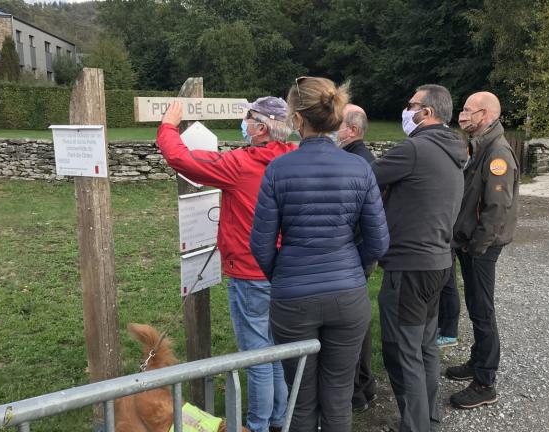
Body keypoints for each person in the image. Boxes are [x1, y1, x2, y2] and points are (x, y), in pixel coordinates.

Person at [250, 76, 389, 432]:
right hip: (348, 295)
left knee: (300, 398)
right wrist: (352, 269)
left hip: (293, 296)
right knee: (339, 397)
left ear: (297, 119)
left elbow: (261, 246)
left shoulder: (279, 169)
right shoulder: (359, 168)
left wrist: (283, 275)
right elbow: (378, 242)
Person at [157, 97, 296, 432]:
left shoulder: (242, 164)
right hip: (285, 270)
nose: (243, 123)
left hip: (249, 272)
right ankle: (279, 417)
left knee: (256, 354)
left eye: (248, 118)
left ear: (261, 128)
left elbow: (183, 159)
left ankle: (258, 425)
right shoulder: (293, 157)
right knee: (275, 348)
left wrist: (168, 126)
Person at [371, 84, 468, 432]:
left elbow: (364, 175)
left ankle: (415, 426)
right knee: (426, 348)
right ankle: (428, 418)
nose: (405, 109)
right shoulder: (453, 149)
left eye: (410, 104)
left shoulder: (415, 149)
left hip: (409, 267)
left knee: (403, 352)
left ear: (426, 112)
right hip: (439, 264)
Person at [445, 91, 519, 410]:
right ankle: (477, 362)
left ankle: (485, 381)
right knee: (476, 305)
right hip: (471, 242)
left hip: (481, 247)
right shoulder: (481, 145)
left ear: (485, 114)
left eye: (468, 110)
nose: (463, 115)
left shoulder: (498, 152)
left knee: (482, 309)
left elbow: (497, 207)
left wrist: (477, 245)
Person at [336, 103, 377, 414]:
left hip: (352, 257)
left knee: (349, 328)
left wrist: (352, 256)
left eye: (338, 123)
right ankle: (365, 384)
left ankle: (355, 393)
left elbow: (367, 222)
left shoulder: (355, 163)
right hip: (358, 256)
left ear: (352, 129)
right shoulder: (361, 158)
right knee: (359, 324)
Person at [436, 253, 459, 348]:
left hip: (445, 246)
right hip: (446, 246)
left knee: (449, 286)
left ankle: (450, 334)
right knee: (445, 285)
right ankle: (441, 327)